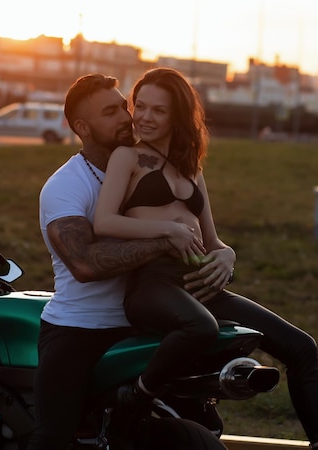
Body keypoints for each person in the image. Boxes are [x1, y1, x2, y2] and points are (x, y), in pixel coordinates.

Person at [93, 67, 318, 447]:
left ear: (178, 115)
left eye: (158, 110)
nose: (145, 117)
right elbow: (104, 221)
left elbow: (213, 240)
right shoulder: (127, 158)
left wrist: (228, 257)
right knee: (201, 327)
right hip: (153, 284)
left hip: (203, 285)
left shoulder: (192, 168)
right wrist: (168, 230)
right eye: (140, 106)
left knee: (303, 348)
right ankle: (136, 399)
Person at [26, 73, 203, 450]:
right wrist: (166, 237)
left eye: (124, 106)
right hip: (79, 329)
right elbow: (86, 265)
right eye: (111, 112)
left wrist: (224, 255)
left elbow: (199, 229)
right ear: (82, 128)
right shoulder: (66, 186)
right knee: (53, 438)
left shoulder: (153, 167)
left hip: (143, 320)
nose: (127, 117)